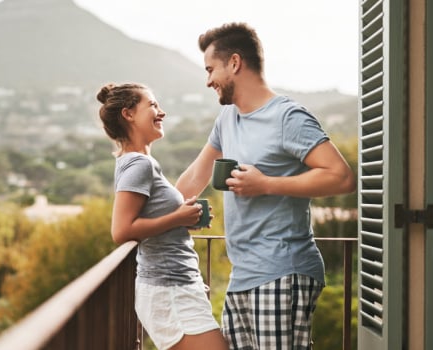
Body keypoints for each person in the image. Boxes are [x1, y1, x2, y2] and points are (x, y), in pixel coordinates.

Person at [175, 23, 356, 349]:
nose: (207, 80)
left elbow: (341, 176)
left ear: (234, 63)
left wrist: (266, 184)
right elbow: (192, 181)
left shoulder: (288, 117)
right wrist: (155, 215)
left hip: (283, 271)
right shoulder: (227, 119)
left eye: (210, 69)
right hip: (242, 275)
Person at [97, 82, 229, 350]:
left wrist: (183, 220)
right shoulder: (139, 164)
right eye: (153, 105)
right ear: (129, 114)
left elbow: (146, 221)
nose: (161, 112)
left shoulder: (137, 162)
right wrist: (177, 219)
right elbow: (121, 230)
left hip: (177, 287)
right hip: (169, 291)